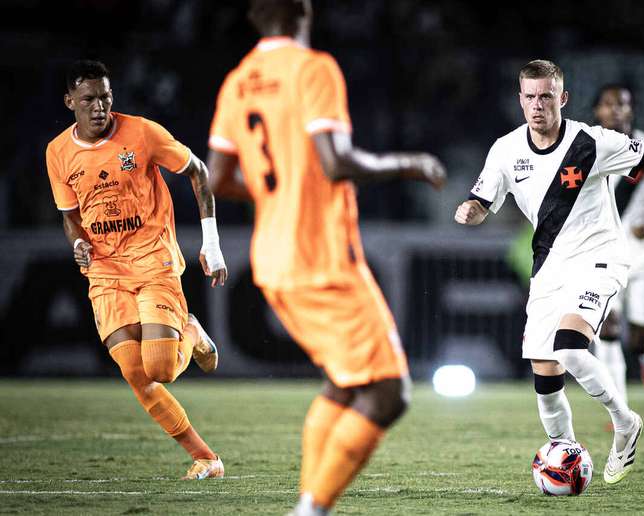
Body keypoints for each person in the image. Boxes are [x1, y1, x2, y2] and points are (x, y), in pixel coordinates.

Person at [206, 1, 446, 514]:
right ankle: (311, 510)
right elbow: (336, 162)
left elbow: (218, 178)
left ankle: (308, 506)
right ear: (302, 10)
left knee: (345, 382)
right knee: (388, 393)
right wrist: (408, 163)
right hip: (322, 259)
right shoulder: (314, 68)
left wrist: (280, 193)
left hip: (271, 261)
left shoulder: (238, 80)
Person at [454, 60, 644, 484]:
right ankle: (566, 458)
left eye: (546, 96)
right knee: (545, 380)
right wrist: (470, 211)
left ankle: (625, 423)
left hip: (600, 258)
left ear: (562, 98)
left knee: (569, 349)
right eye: (529, 96)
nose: (537, 105)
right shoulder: (506, 150)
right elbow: (480, 201)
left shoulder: (591, 142)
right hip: (549, 269)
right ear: (520, 100)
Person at [45, 60, 228, 480]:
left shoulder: (142, 133)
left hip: (151, 258)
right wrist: (77, 243)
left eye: (105, 97)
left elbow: (198, 172)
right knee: (135, 372)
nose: (98, 107)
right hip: (105, 269)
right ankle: (206, 458)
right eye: (88, 99)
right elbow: (69, 213)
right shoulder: (57, 152)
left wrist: (211, 243)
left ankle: (192, 331)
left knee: (161, 367)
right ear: (70, 101)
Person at [593, 84, 644, 398]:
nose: (614, 109)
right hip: (603, 255)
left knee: (637, 337)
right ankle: (619, 407)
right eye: (607, 103)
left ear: (631, 110)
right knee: (607, 329)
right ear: (597, 110)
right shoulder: (588, 147)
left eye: (621, 104)